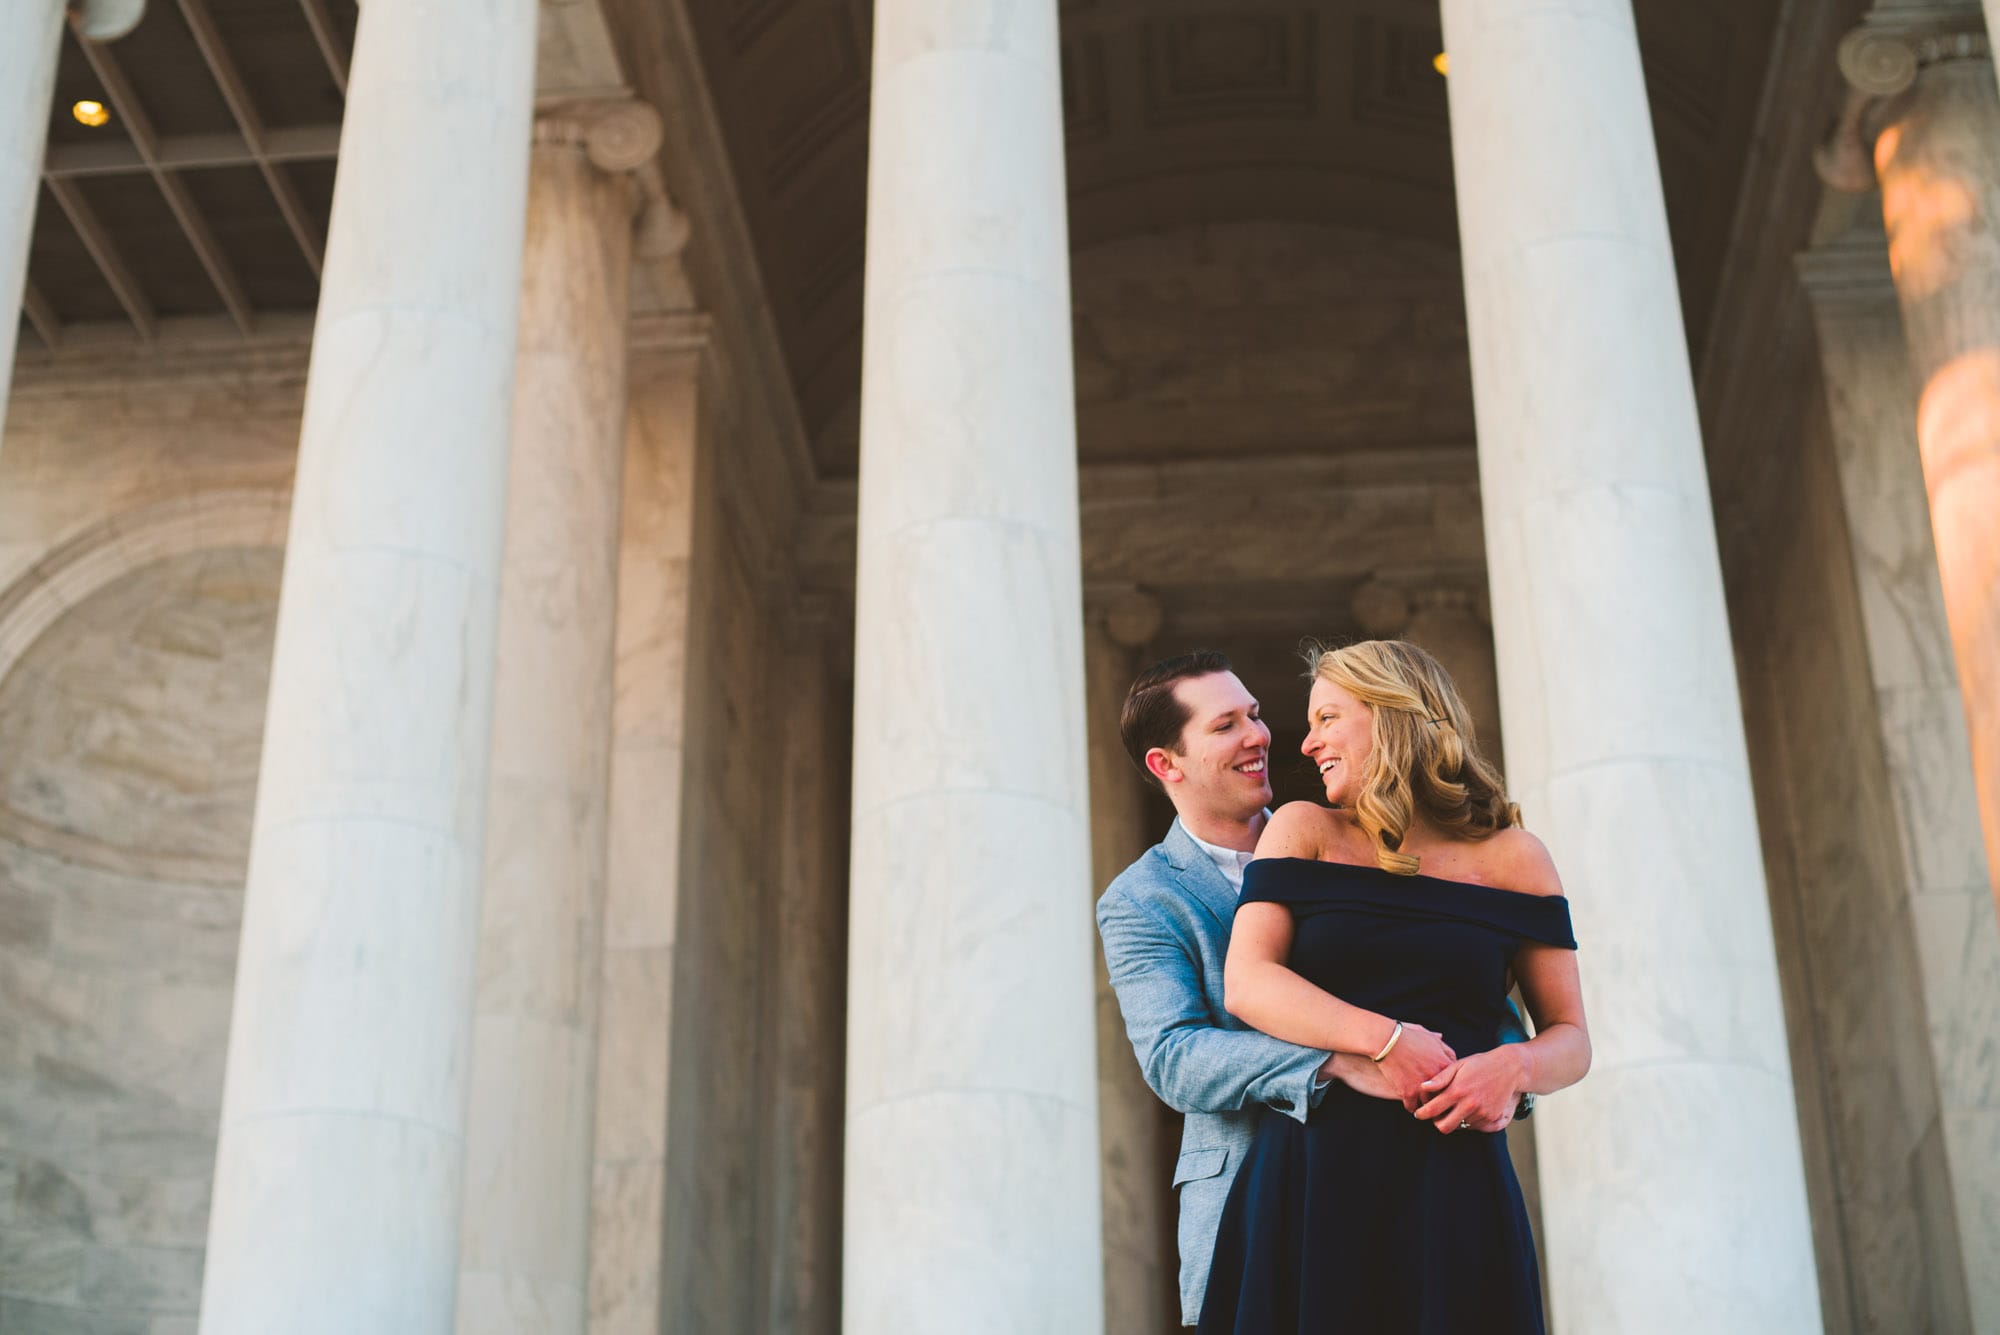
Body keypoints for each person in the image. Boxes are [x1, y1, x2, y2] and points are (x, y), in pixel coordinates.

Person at [1095, 651, 1527, 1327]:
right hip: (1257, 1199)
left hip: (1422, 1180)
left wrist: (1504, 1069)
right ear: (1165, 763)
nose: (1259, 735)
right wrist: (1342, 1058)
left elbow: (1464, 989)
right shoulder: (1142, 899)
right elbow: (1174, 1057)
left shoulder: (1357, 840)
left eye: (1257, 715)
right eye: (1225, 725)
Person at [1198, 639, 1590, 1335]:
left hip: (1456, 1180)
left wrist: (1516, 1065)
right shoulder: (1303, 828)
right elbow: (1248, 981)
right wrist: (1384, 1040)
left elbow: (1571, 1037)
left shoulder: (1515, 857)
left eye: (1327, 718)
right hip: (1310, 1177)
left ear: (1392, 715)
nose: (1309, 741)